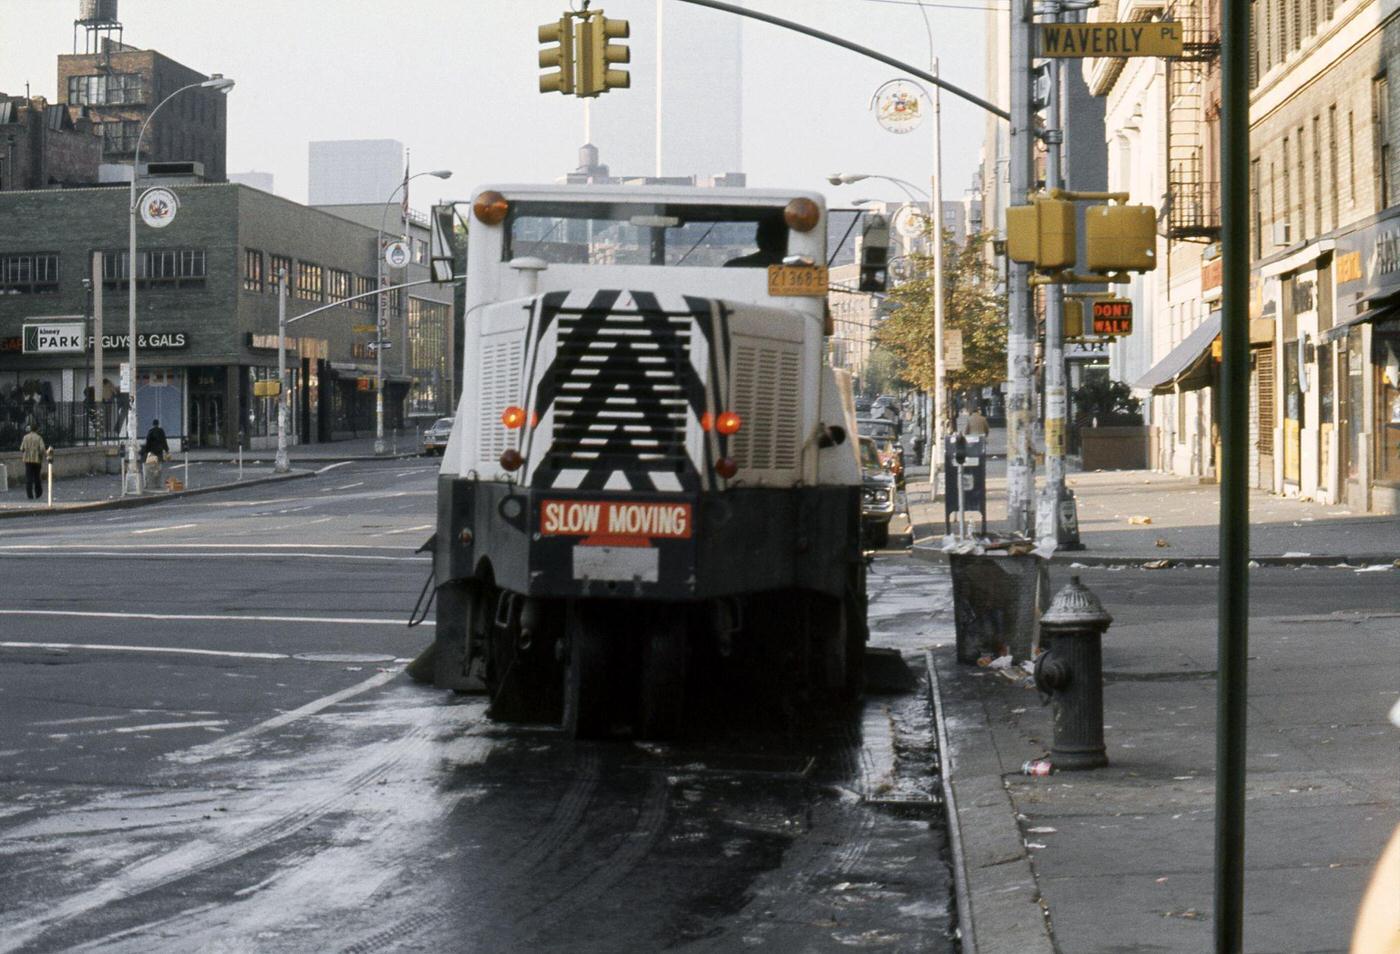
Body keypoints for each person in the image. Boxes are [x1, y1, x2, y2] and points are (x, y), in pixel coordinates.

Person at [19, 423, 44, 501]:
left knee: (28, 477)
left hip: (27, 460)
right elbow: (42, 449)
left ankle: (29, 494)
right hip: (37, 460)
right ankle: (38, 493)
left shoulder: (25, 437)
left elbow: (21, 448)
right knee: (37, 477)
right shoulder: (39, 438)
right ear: (37, 429)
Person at [142, 419, 170, 485]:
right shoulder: (161, 431)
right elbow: (164, 441)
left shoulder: (150, 431)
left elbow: (148, 442)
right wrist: (166, 450)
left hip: (152, 451)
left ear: (153, 424)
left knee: (152, 465)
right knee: (159, 464)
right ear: (158, 424)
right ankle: (158, 479)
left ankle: (153, 478)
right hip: (159, 451)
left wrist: (146, 451)